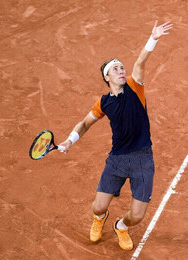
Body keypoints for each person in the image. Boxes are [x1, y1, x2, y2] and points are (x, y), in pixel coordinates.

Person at [58, 20, 173, 251]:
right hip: (118, 159)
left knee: (138, 216)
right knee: (98, 207)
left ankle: (120, 226)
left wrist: (154, 39)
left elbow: (140, 62)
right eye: (115, 69)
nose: (121, 71)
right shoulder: (104, 102)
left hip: (142, 159)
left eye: (122, 67)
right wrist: (70, 140)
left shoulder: (135, 86)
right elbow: (84, 123)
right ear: (107, 78)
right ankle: (100, 219)